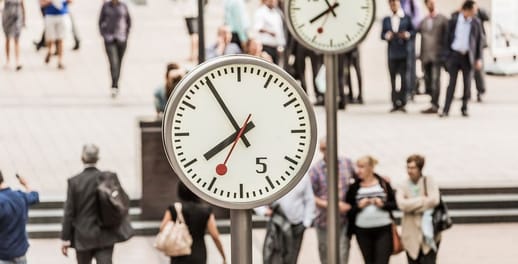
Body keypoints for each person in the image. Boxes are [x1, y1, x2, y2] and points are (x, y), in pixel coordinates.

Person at [61, 144, 134, 264]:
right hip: (105, 234)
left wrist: (65, 238)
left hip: (83, 235)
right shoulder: (109, 178)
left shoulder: (75, 182)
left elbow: (69, 212)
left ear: (82, 158)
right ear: (97, 158)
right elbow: (123, 200)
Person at [309, 137, 354, 264]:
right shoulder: (315, 170)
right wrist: (330, 205)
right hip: (324, 221)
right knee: (326, 256)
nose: (325, 152)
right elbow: (309, 195)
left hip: (343, 220)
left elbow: (361, 178)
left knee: (342, 254)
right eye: (322, 149)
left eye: (327, 148)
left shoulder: (347, 163)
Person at [346, 156, 397, 264]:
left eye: (362, 167)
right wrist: (359, 206)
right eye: (357, 167)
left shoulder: (383, 183)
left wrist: (382, 204)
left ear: (370, 168)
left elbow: (394, 204)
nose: (358, 170)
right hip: (362, 230)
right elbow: (349, 209)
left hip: (383, 229)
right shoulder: (354, 186)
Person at [159, 182, 226, 264]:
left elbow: (162, 227)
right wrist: (223, 256)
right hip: (198, 252)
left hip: (179, 251)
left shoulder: (174, 208)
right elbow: (215, 236)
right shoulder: (206, 210)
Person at [255, 174, 315, 263]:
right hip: (277, 225)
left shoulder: (303, 176)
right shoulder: (273, 173)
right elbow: (257, 196)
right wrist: (263, 211)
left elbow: (309, 199)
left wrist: (306, 222)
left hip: (297, 225)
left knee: (292, 257)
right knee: (273, 255)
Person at [440, 0, 483, 118]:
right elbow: (447, 39)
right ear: (466, 10)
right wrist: (446, 56)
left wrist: (478, 58)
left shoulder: (476, 22)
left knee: (467, 84)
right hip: (454, 55)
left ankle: (464, 108)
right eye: (473, 10)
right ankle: (446, 109)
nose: (475, 12)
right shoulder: (454, 21)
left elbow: (479, 42)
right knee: (451, 84)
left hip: (468, 57)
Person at [396, 154, 441, 264]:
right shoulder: (403, 185)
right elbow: (401, 204)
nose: (409, 171)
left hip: (429, 234)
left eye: (413, 168)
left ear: (420, 168)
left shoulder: (428, 181)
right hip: (411, 234)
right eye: (408, 167)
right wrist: (422, 200)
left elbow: (435, 200)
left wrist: (411, 205)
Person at [381, 0, 415, 113]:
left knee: (404, 79)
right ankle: (394, 102)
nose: (393, 6)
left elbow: (413, 31)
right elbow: (382, 35)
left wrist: (407, 35)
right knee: (393, 80)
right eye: (391, 4)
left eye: (395, 3)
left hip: (404, 53)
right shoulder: (386, 19)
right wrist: (387, 36)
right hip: (392, 53)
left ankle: (403, 101)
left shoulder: (407, 17)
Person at [0, 171, 39, 264]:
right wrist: (26, 184)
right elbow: (35, 196)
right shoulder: (19, 196)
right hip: (20, 252)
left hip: (4, 254)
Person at [418, 0, 448, 114]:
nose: (431, 4)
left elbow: (447, 38)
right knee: (428, 81)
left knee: (436, 80)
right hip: (426, 56)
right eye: (428, 3)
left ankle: (435, 104)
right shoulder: (424, 21)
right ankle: (432, 102)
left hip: (437, 56)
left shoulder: (443, 19)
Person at [99, 0, 132, 98]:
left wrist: (126, 34)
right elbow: (100, 21)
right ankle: (114, 85)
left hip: (121, 38)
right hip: (110, 39)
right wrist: (103, 34)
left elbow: (128, 21)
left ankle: (116, 82)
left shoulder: (124, 5)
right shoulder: (106, 6)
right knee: (113, 63)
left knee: (119, 63)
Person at [400, 0, 423, 100]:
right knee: (403, 65)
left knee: (410, 64)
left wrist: (410, 31)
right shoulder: (402, 2)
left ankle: (411, 89)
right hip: (401, 32)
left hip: (411, 34)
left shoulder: (415, 3)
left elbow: (417, 20)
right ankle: (405, 89)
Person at [40, 0, 72, 70]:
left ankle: (60, 61)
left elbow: (71, 1)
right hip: (50, 16)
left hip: (62, 15)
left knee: (61, 39)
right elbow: (41, 3)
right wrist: (50, 2)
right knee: (50, 38)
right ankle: (49, 51)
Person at [253, 0, 285, 64]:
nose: (273, 1)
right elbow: (258, 28)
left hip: (275, 47)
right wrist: (270, 32)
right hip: (266, 46)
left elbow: (280, 31)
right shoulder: (261, 12)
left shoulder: (277, 13)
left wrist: (281, 45)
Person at [2, 0, 25, 71]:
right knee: (7, 38)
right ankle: (7, 60)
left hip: (17, 17)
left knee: (16, 39)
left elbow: (23, 5)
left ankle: (17, 61)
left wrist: (24, 19)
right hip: (7, 17)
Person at [473, 1, 489, 102]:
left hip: (478, 44)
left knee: (478, 69)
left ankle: (480, 91)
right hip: (469, 45)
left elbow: (487, 16)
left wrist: (478, 9)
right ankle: (468, 93)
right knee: (468, 71)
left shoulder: (478, 12)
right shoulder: (463, 10)